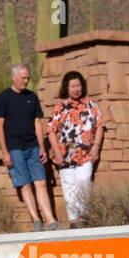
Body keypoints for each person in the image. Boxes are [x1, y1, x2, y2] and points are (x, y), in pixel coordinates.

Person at [0, 63, 60, 230]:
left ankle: (51, 220)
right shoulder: (3, 97)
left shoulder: (32, 97)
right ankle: (36, 221)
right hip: (14, 148)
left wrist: (42, 148)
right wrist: (4, 152)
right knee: (25, 184)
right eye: (23, 78)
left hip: (33, 147)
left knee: (41, 183)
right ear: (14, 77)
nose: (26, 81)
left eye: (28, 78)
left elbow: (38, 123)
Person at [45, 70, 105, 227]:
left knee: (84, 181)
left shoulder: (91, 105)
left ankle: (83, 216)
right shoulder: (60, 107)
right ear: (67, 88)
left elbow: (99, 126)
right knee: (69, 187)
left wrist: (96, 147)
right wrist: (56, 152)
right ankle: (74, 220)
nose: (76, 89)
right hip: (65, 156)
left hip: (85, 154)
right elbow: (50, 130)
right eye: (72, 86)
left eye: (78, 85)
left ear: (82, 87)